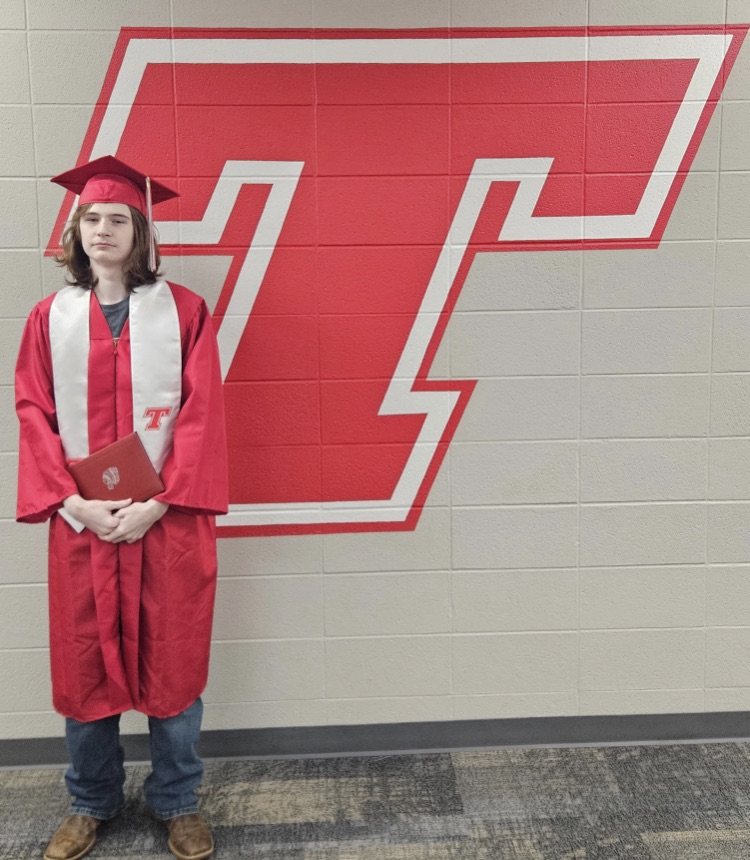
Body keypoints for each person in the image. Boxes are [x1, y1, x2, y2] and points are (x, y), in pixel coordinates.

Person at [15, 155, 229, 860]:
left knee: (173, 666)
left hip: (166, 525)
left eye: (116, 219)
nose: (101, 230)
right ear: (75, 232)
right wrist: (73, 502)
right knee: (84, 670)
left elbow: (202, 416)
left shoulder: (185, 312)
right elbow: (34, 414)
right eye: (90, 219)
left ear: (141, 233)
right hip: (83, 527)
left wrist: (158, 506)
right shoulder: (49, 318)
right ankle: (91, 801)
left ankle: (178, 801)